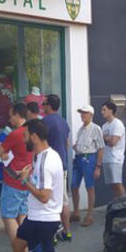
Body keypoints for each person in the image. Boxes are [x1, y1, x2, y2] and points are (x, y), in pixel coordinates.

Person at [0, 120, 64, 252]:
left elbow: (44, 196)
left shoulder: (46, 161)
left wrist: (25, 182)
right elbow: (42, 185)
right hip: (34, 218)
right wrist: (28, 176)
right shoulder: (42, 156)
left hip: (43, 220)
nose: (23, 140)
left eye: (25, 136)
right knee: (18, 245)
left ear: (34, 137)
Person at [0, 103, 33, 252]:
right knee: (22, 216)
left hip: (13, 181)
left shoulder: (16, 134)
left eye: (11, 115)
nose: (9, 119)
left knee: (9, 216)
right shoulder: (31, 132)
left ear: (18, 115)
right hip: (26, 181)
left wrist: (3, 153)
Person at [41, 95, 72, 242]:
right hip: (62, 166)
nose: (42, 106)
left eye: (44, 103)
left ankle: (51, 235)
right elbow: (66, 143)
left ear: (49, 105)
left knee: (48, 201)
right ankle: (67, 231)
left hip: (48, 165)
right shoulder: (64, 122)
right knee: (63, 200)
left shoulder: (44, 122)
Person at [71, 105, 105, 227]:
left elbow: (101, 148)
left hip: (89, 157)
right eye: (81, 113)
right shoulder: (80, 129)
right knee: (74, 185)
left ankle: (89, 215)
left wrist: (98, 166)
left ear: (91, 114)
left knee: (89, 187)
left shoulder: (96, 128)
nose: (82, 115)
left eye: (85, 113)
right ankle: (76, 212)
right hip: (79, 157)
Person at [101, 101, 126, 198]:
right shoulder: (104, 126)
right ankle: (117, 204)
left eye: (104, 110)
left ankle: (124, 203)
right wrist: (107, 138)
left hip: (116, 158)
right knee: (113, 185)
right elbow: (102, 140)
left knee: (117, 182)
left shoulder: (117, 124)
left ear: (111, 110)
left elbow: (113, 142)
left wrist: (106, 138)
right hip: (107, 157)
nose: (102, 112)